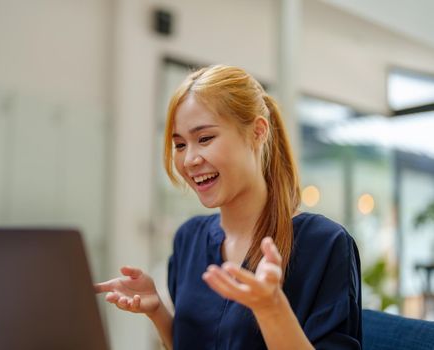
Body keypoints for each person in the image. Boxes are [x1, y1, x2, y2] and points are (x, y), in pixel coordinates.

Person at [95, 65, 362, 349]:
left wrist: (271, 309)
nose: (189, 160)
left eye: (205, 138)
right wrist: (157, 311)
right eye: (180, 144)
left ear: (258, 132)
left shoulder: (325, 244)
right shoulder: (189, 238)